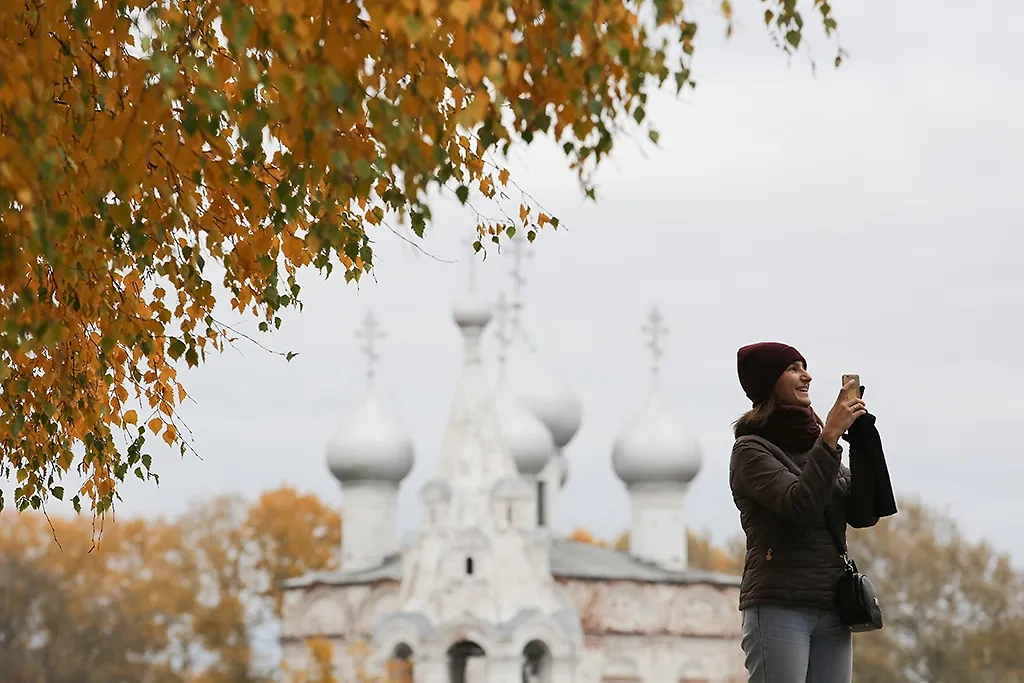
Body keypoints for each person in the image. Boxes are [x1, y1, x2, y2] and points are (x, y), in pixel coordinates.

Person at [729, 342, 881, 683]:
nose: (807, 376)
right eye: (793, 369)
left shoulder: (818, 445)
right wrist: (829, 436)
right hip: (778, 605)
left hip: (832, 605)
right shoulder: (751, 451)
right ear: (769, 381)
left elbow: (863, 513)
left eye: (804, 367)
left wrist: (861, 441)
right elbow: (800, 506)